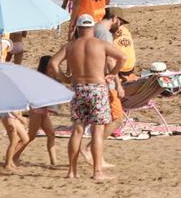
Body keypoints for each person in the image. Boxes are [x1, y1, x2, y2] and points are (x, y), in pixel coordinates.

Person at [49, 14, 126, 180]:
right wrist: (112, 74)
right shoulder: (101, 44)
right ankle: (97, 172)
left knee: (77, 130)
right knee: (97, 131)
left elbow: (53, 63)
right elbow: (122, 58)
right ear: (92, 28)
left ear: (78, 28)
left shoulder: (70, 46)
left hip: (78, 89)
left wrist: (64, 78)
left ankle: (71, 171)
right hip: (97, 88)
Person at [12, 56, 58, 167]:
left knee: (51, 134)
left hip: (44, 111)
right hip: (37, 110)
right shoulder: (39, 78)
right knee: (30, 137)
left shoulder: (49, 78)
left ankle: (53, 162)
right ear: (46, 66)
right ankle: (12, 157)